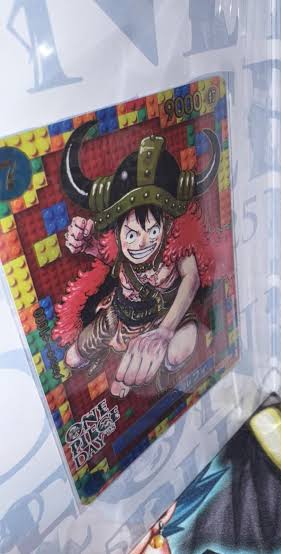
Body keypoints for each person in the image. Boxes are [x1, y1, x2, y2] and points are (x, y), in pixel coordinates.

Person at [52, 121, 221, 398]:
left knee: (178, 352)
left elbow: (191, 278)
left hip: (167, 313)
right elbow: (111, 262)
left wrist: (165, 331)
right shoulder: (118, 248)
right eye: (132, 234)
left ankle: (150, 371)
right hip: (119, 314)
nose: (143, 242)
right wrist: (87, 244)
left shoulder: (178, 242)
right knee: (72, 357)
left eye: (152, 231)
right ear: (118, 233)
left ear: (168, 224)